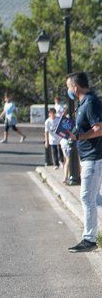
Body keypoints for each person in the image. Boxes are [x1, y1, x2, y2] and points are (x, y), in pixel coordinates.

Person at [65, 72, 102, 253]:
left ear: (75, 87)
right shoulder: (83, 104)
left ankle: (89, 239)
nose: (68, 91)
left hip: (93, 159)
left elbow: (99, 129)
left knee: (87, 198)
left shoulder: (90, 102)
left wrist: (80, 136)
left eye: (68, 87)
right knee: (90, 198)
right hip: (89, 158)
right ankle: (90, 237)